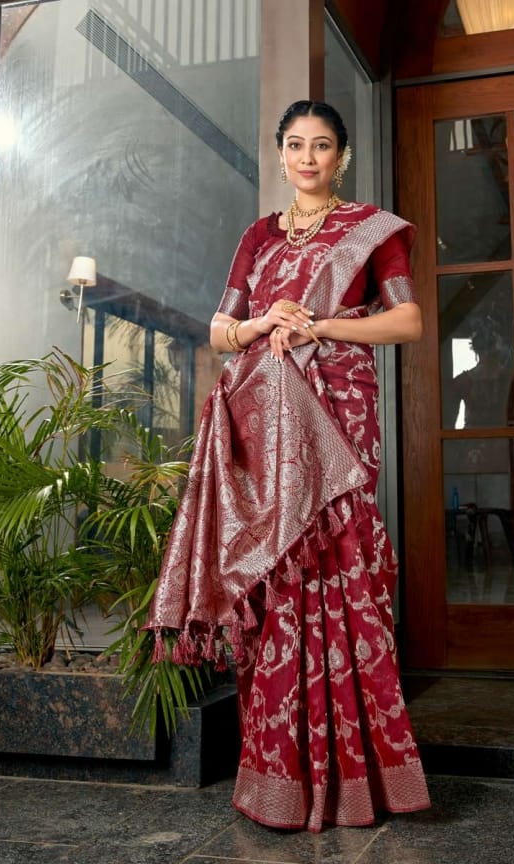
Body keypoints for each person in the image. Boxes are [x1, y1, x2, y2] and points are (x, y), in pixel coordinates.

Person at [146, 100, 430, 832]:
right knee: (277, 574)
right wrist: (262, 322)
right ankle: (280, 777)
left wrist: (320, 325)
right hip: (265, 419)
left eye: (322, 145)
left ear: (341, 156)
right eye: (296, 145)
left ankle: (360, 779)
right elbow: (219, 331)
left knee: (339, 563)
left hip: (339, 412)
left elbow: (407, 321)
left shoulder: (370, 230)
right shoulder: (259, 235)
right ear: (280, 154)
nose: (308, 158)